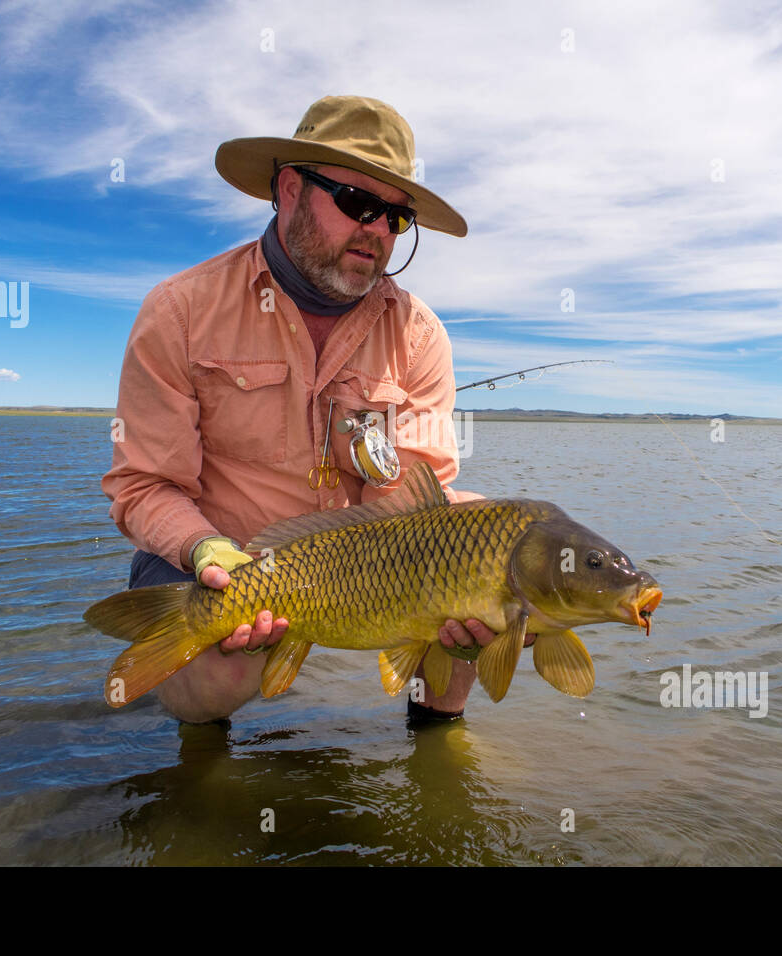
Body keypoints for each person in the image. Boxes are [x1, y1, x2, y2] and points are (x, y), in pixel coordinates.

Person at [101, 95, 532, 726]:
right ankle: (203, 762)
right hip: (219, 560)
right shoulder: (178, 311)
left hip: (362, 568)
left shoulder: (419, 333)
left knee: (495, 574)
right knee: (221, 672)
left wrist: (464, 581)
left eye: (396, 217)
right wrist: (205, 551)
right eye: (360, 204)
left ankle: (438, 745)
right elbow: (143, 485)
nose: (379, 230)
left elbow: (422, 494)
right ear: (290, 189)